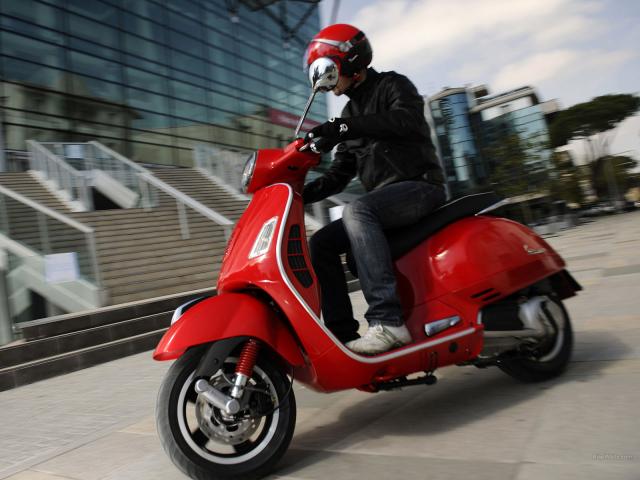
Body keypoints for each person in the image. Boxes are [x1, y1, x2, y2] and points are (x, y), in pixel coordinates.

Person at [302, 24, 447, 355]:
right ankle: (342, 337)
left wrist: (343, 128)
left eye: (329, 72)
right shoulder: (349, 114)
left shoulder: (393, 85)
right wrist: (298, 193)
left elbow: (406, 121)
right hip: (385, 203)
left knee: (357, 209)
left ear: (350, 60)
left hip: (420, 186)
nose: (329, 86)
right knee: (321, 243)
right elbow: (340, 173)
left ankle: (388, 322)